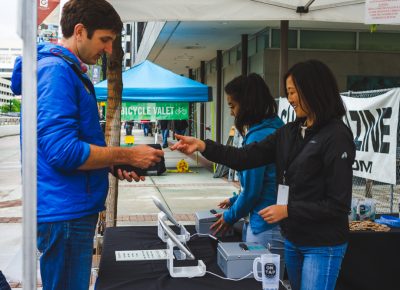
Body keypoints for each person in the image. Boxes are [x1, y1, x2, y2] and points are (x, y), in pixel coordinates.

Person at [11, 1, 164, 289]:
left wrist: (111, 162)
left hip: (69, 208)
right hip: (66, 213)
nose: (108, 49)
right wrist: (129, 153)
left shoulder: (64, 70)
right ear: (80, 31)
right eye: (104, 40)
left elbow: (68, 147)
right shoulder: (56, 72)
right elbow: (63, 152)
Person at [172, 60, 355, 290]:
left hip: (322, 244)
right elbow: (246, 157)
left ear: (312, 90)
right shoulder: (289, 132)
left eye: (292, 92)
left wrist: (289, 210)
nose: (289, 99)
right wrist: (203, 146)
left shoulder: (336, 136)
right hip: (293, 238)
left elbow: (338, 205)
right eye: (287, 93)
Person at [208, 74, 285, 272]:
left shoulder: (259, 136)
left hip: (264, 228)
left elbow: (252, 191)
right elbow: (264, 181)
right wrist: (235, 200)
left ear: (248, 104)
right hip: (272, 224)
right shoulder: (274, 127)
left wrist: (229, 217)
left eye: (233, 106)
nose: (232, 113)